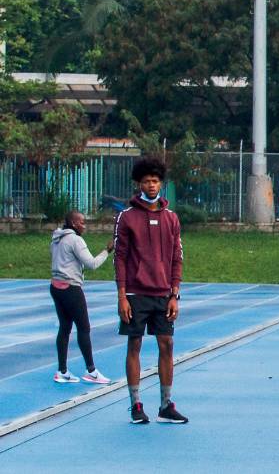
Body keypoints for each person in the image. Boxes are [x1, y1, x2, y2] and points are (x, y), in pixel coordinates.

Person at [114, 156, 187, 424]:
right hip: (134, 293)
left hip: (163, 294)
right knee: (134, 344)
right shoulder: (126, 217)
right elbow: (119, 258)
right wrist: (122, 296)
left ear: (161, 183)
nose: (151, 185)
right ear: (139, 184)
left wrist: (174, 293)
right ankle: (136, 406)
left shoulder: (171, 218)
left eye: (155, 181)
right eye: (146, 181)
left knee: (166, 345)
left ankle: (166, 406)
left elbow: (177, 258)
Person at [50, 211, 113, 384]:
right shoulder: (75, 240)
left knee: (64, 327)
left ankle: (62, 371)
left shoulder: (56, 237)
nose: (84, 225)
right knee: (84, 328)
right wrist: (107, 251)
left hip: (55, 286)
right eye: (82, 222)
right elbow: (91, 264)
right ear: (72, 222)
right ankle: (91, 371)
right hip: (71, 288)